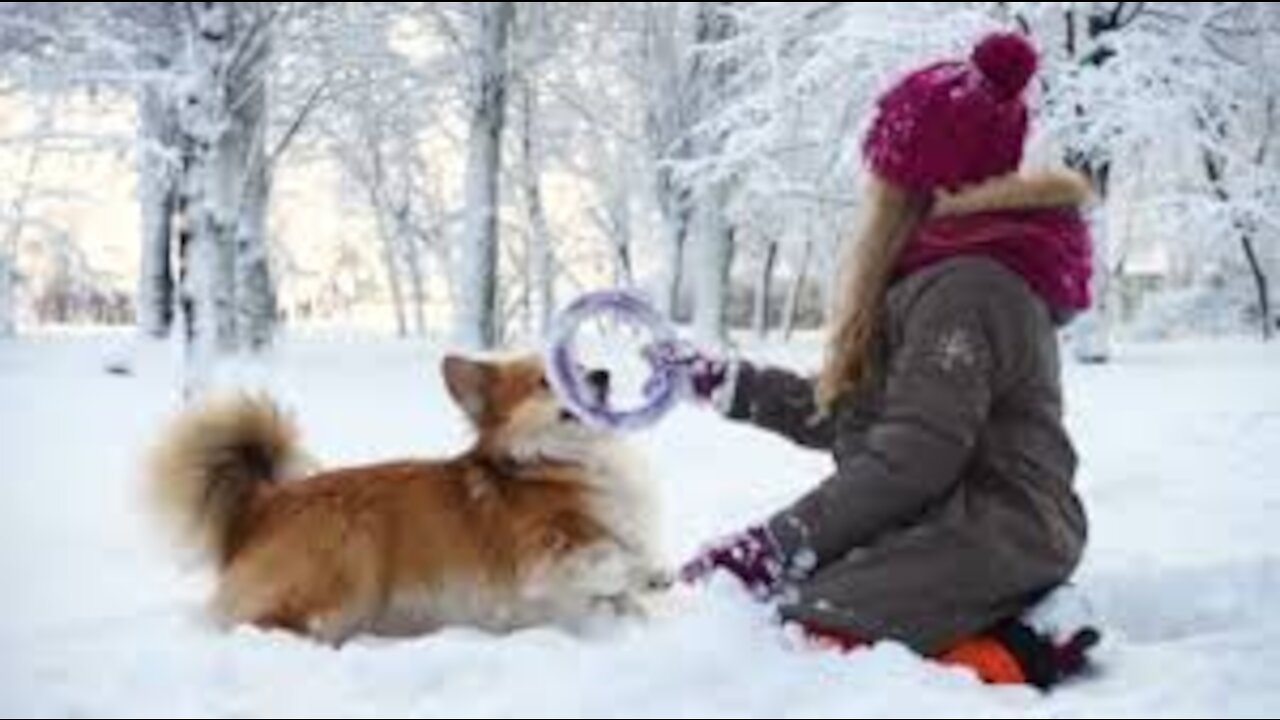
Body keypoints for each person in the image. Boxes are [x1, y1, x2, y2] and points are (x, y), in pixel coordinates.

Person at [666, 32, 1100, 690]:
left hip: (1000, 527)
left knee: (812, 636)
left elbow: (915, 454)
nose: (876, 188)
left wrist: (778, 543)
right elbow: (868, 415)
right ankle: (996, 621)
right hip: (946, 516)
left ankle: (1029, 643)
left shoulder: (967, 286)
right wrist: (734, 387)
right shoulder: (936, 271)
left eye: (889, 172)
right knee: (783, 610)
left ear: (925, 180)